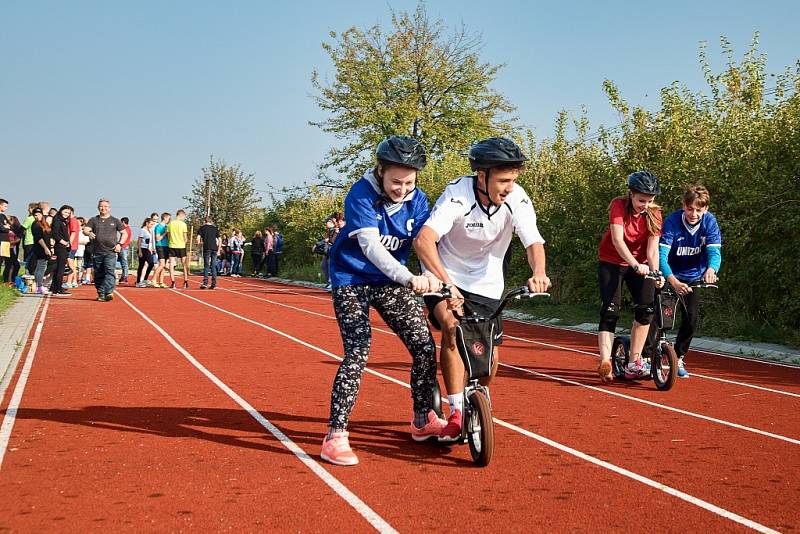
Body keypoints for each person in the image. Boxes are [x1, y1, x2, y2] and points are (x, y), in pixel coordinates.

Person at [320, 135, 445, 467]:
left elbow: (422, 243)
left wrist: (434, 278)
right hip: (351, 279)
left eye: (408, 182)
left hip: (390, 281)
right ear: (380, 172)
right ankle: (335, 435)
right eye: (395, 181)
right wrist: (409, 278)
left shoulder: (418, 201)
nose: (401, 188)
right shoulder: (360, 195)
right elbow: (372, 249)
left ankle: (423, 419)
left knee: (422, 344)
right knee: (359, 349)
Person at [414, 136, 550, 441]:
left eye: (513, 180)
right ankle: (456, 411)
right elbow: (423, 241)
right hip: (443, 272)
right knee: (452, 328)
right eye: (503, 180)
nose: (509, 187)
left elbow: (533, 241)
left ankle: (480, 397)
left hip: (487, 280)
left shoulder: (517, 198)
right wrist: (448, 285)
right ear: (482, 176)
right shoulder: (457, 194)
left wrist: (539, 272)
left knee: (489, 351)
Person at [595, 171, 663, 382]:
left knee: (646, 309)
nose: (645, 205)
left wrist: (656, 272)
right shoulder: (618, 205)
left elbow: (652, 250)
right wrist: (634, 264)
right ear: (631, 195)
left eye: (650, 201)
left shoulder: (654, 213)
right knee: (611, 310)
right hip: (612, 262)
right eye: (641, 200)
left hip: (641, 264)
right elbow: (617, 240)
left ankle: (635, 360)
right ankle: (605, 361)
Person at [656, 184, 722, 377]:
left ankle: (678, 357)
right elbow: (661, 256)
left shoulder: (709, 222)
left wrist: (711, 269)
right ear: (683, 206)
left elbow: (714, 252)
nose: (694, 214)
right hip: (671, 275)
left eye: (698, 210)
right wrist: (672, 280)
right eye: (690, 208)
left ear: (705, 209)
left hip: (693, 277)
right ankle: (647, 355)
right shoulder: (673, 221)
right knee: (662, 318)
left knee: (691, 319)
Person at [84, 198, 126, 302]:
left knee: (109, 271)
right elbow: (85, 229)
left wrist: (120, 244)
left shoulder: (115, 220)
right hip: (97, 251)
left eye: (106, 206)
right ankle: (101, 293)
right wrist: (88, 232)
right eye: (101, 206)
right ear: (98, 208)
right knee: (98, 273)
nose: (104, 208)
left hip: (110, 251)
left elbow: (124, 233)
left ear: (109, 208)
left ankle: (109, 292)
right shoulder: (94, 220)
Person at [49, 205, 74, 296]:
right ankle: (58, 289)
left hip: (64, 246)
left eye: (68, 213)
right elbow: (55, 234)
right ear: (61, 211)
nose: (67, 214)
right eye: (65, 212)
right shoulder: (57, 220)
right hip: (60, 246)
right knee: (61, 268)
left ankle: (55, 287)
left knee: (59, 267)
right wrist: (64, 242)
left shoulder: (64, 221)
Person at [31, 208, 54, 294]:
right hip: (40, 248)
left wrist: (51, 246)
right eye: (35, 215)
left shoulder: (44, 224)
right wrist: (46, 248)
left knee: (39, 268)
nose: (38, 216)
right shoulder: (36, 225)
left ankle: (38, 286)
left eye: (39, 214)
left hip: (46, 247)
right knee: (41, 268)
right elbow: (39, 238)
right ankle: (39, 287)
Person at [166, 209, 189, 289]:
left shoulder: (170, 224)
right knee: (184, 264)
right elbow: (185, 237)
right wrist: (185, 242)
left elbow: (168, 236)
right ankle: (185, 282)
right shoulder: (183, 224)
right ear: (181, 215)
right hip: (181, 246)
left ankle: (173, 282)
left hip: (172, 246)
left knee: (171, 265)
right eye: (184, 216)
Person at [196, 216, 220, 289]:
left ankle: (205, 283)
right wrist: (219, 249)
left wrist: (199, 244)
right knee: (213, 266)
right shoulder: (215, 228)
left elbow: (198, 238)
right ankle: (214, 284)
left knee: (206, 266)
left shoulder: (202, 228)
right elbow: (220, 239)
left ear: (205, 221)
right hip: (214, 248)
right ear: (211, 221)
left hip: (207, 248)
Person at [135, 217, 157, 287]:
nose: (152, 226)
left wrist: (152, 248)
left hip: (147, 249)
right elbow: (139, 241)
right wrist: (140, 251)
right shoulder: (142, 230)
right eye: (151, 224)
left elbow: (149, 241)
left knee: (150, 264)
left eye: (153, 224)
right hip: (143, 249)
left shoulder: (148, 231)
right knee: (144, 265)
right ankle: (139, 282)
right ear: (147, 223)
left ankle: (144, 280)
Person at [152, 212, 171, 288]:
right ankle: (153, 279)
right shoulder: (159, 227)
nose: (169, 220)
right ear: (165, 218)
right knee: (162, 264)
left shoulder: (166, 226)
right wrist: (165, 233)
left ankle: (161, 282)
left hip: (166, 246)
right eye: (169, 218)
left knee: (164, 265)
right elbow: (158, 238)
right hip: (160, 246)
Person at [64, 210, 81, 288]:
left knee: (70, 262)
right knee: (71, 263)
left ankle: (69, 281)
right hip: (73, 245)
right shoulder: (73, 220)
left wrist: (69, 243)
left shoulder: (72, 220)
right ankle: (74, 281)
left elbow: (73, 232)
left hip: (72, 245)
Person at [117, 217, 132, 283]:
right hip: (123, 247)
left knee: (124, 263)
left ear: (123, 222)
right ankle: (123, 276)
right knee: (122, 262)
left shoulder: (126, 229)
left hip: (123, 247)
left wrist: (119, 244)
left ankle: (125, 277)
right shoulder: (127, 229)